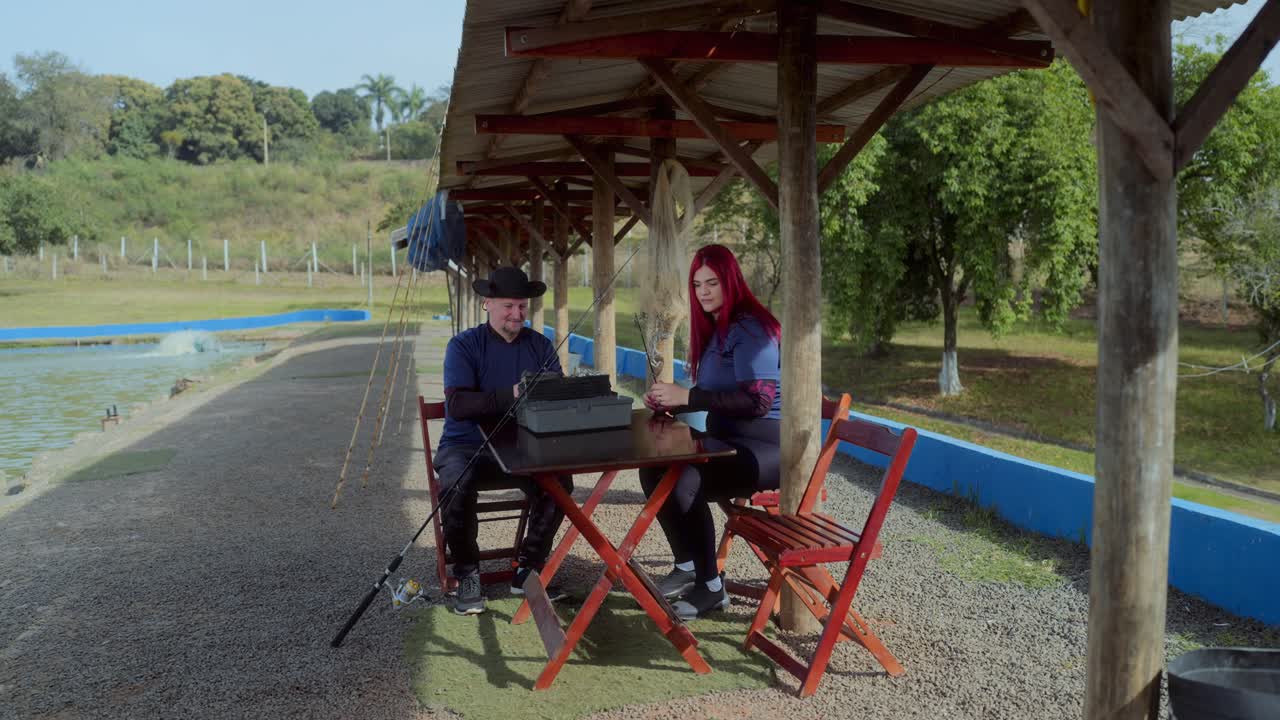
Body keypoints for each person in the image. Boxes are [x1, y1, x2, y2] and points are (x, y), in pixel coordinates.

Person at [642, 244, 782, 620]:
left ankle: (711, 587)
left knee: (685, 477)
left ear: (731, 282)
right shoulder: (719, 329)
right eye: (697, 284)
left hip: (766, 448)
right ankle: (689, 565)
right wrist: (672, 401)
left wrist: (687, 395)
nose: (703, 291)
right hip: (728, 441)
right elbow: (719, 396)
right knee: (653, 467)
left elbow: (759, 402)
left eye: (712, 283)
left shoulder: (753, 328)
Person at [436, 266, 573, 616]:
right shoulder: (463, 345)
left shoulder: (541, 345)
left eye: (522, 307)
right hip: (466, 446)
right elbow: (458, 404)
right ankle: (467, 573)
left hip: (524, 447)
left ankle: (527, 569)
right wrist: (511, 394)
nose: (516, 314)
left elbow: (555, 397)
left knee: (560, 481)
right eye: (508, 306)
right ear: (488, 304)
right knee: (453, 481)